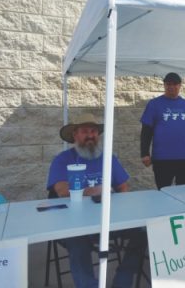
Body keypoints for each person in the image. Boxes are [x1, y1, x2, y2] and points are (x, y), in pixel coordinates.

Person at [47, 113, 146, 288]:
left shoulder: (108, 158)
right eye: (85, 131)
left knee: (143, 232)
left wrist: (122, 211)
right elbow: (61, 190)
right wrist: (93, 191)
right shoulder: (62, 159)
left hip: (108, 221)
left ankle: (123, 280)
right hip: (73, 224)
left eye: (93, 131)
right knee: (78, 244)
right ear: (74, 135)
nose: (90, 135)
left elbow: (123, 187)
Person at [140, 72, 185, 189]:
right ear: (164, 85)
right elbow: (146, 131)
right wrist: (144, 153)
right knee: (163, 192)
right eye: (168, 84)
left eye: (175, 84)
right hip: (162, 159)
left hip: (184, 158)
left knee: (183, 193)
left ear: (180, 85)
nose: (171, 87)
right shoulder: (154, 104)